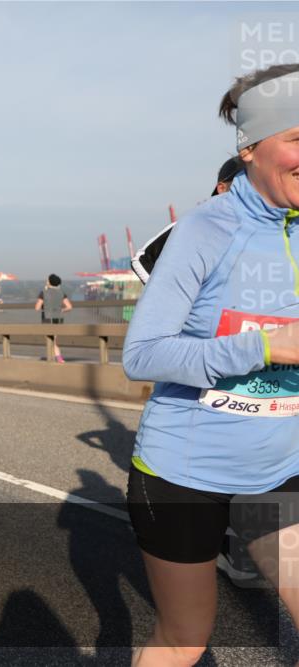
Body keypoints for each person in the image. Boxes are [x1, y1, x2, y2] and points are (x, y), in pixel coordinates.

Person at [123, 64, 298, 667]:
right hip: (184, 476)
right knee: (184, 639)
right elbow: (142, 355)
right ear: (249, 148)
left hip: (279, 471)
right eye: (297, 139)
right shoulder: (204, 230)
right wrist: (265, 346)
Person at [132, 156, 244, 283]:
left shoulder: (261, 228)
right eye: (242, 183)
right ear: (222, 188)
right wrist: (167, 297)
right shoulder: (194, 224)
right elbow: (142, 259)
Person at [34, 274, 73, 363]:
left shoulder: (44, 292)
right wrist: (61, 310)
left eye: (47, 280)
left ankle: (55, 359)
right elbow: (69, 307)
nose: (46, 281)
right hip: (59, 319)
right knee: (54, 340)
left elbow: (37, 308)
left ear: (50, 282)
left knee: (50, 340)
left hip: (47, 318)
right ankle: (58, 358)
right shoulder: (61, 292)